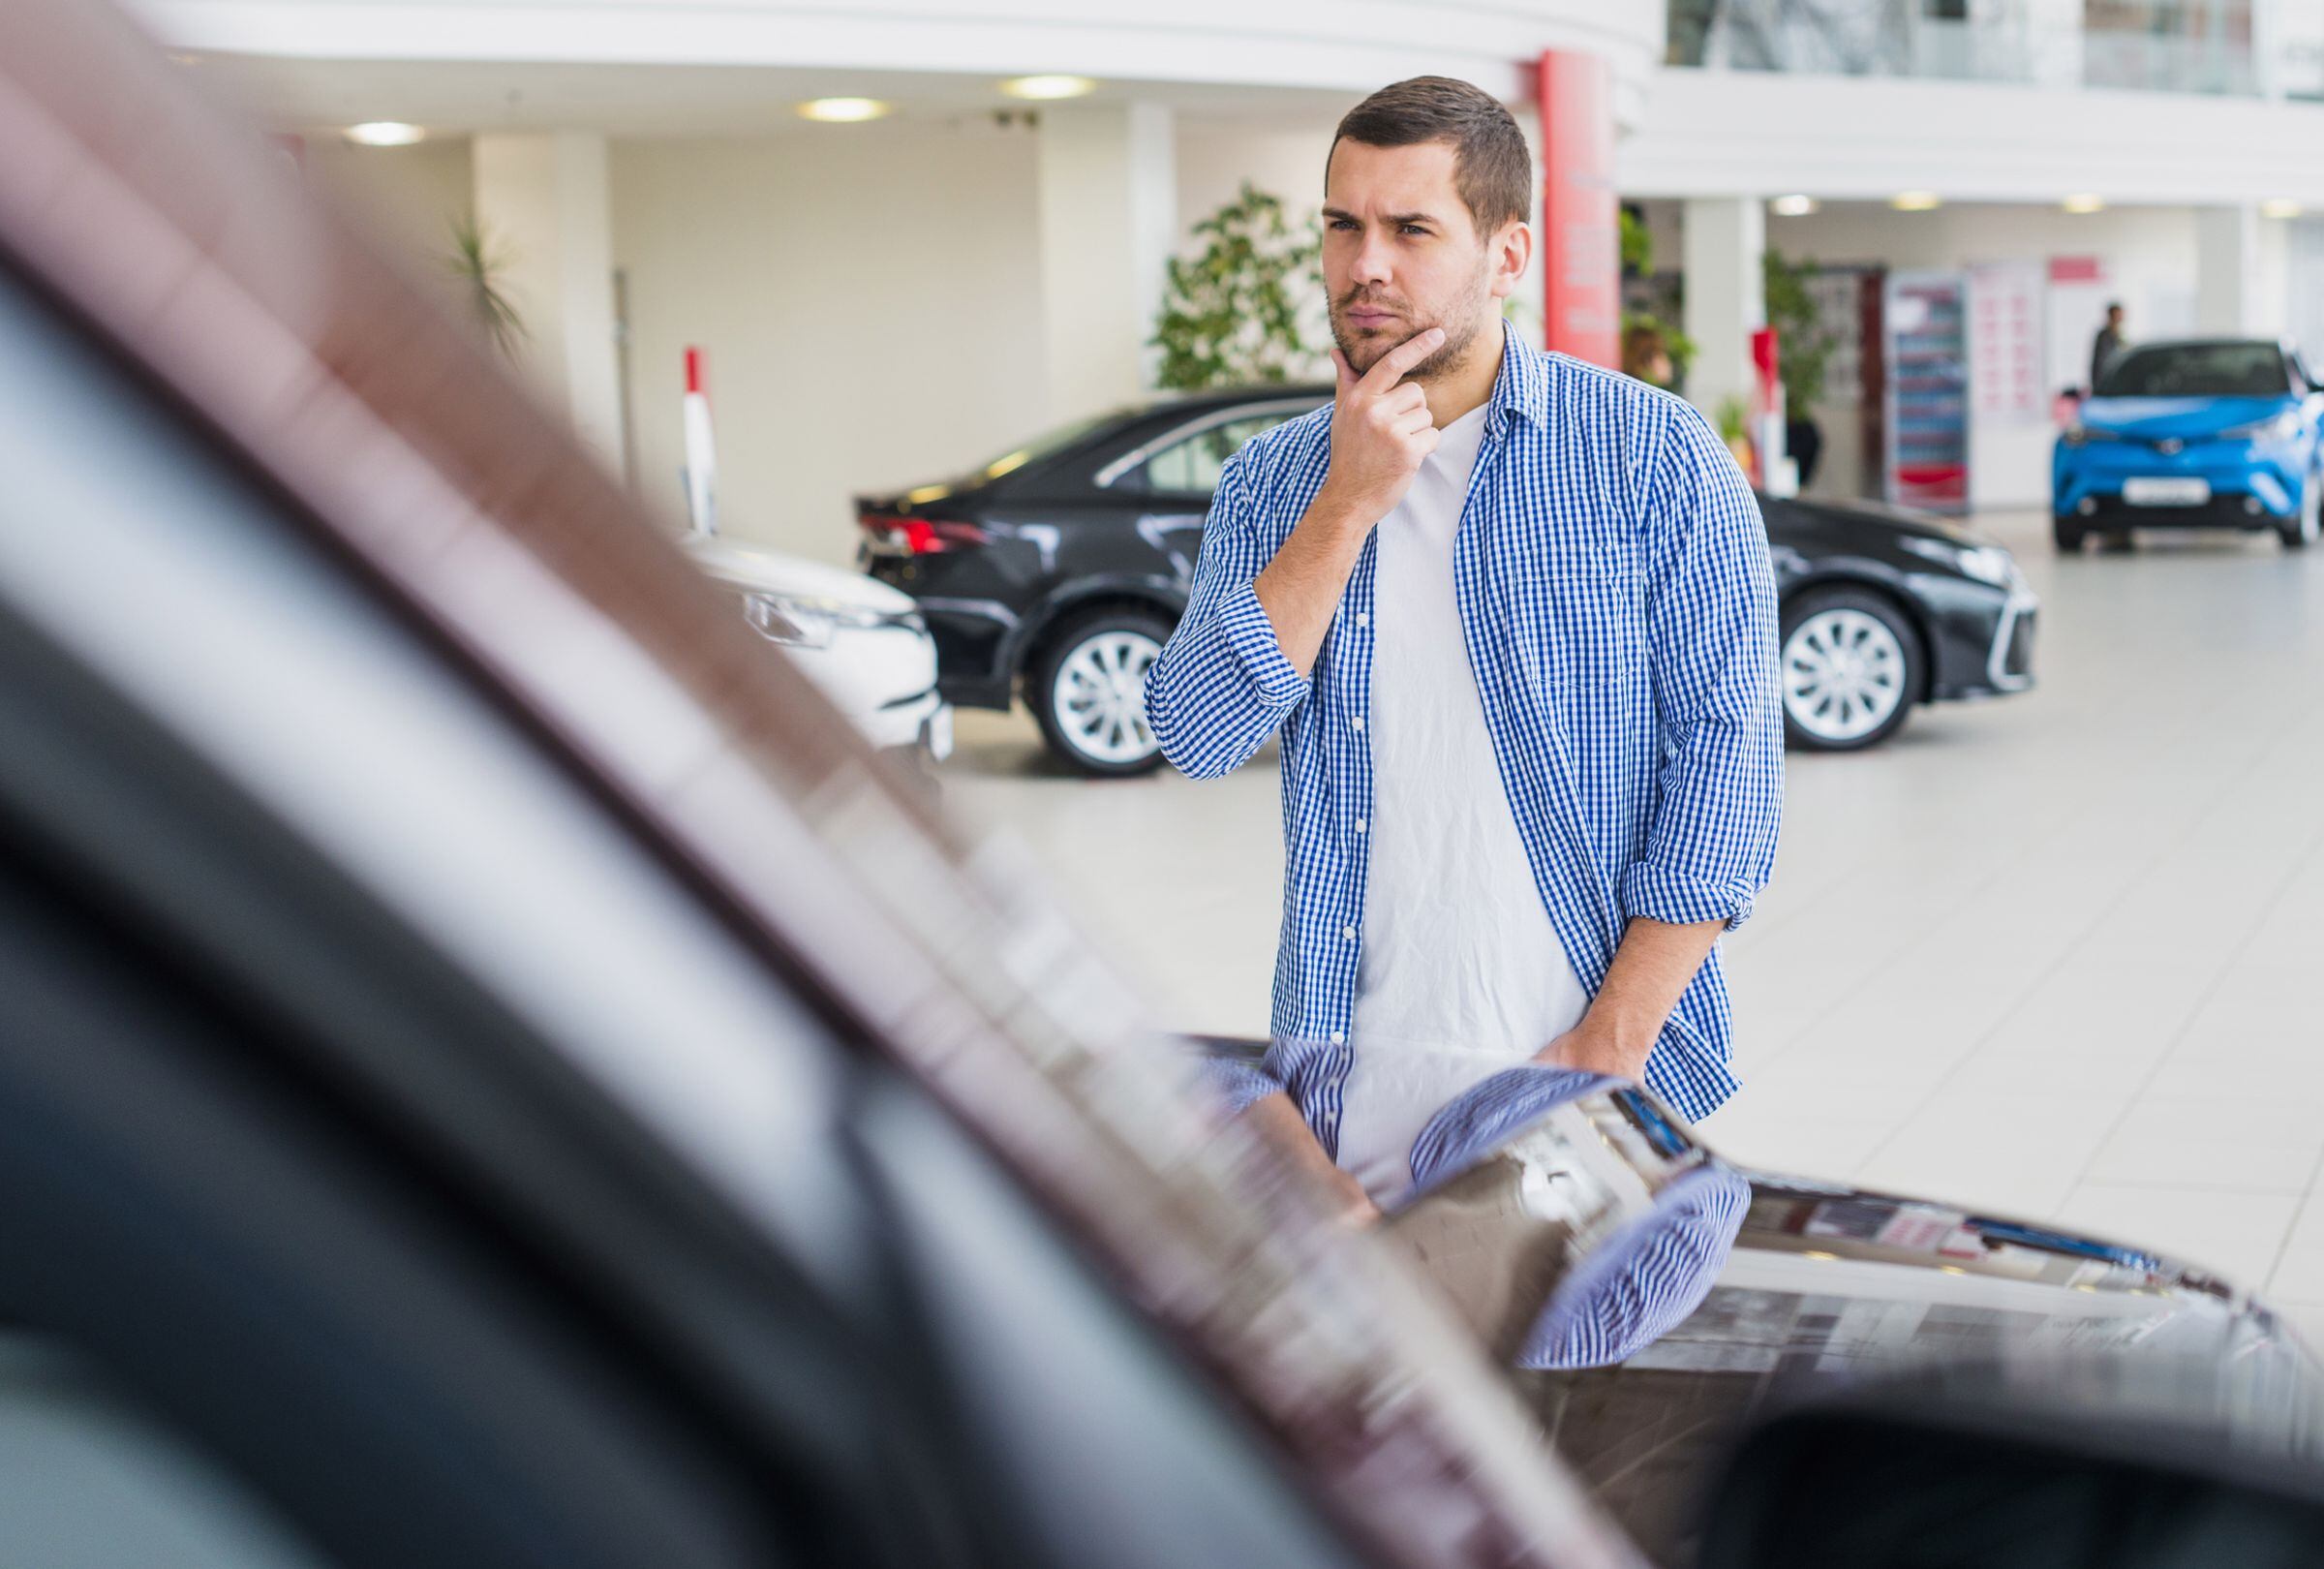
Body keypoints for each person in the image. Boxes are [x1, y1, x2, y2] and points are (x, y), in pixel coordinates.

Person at [1144, 77, 1783, 1223]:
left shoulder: (1654, 458)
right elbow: (1196, 733)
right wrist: (1348, 502)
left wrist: (1609, 1049)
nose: (1366, 265)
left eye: (1412, 229)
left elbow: (1727, 765)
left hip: (1585, 1090)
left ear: (1508, 253)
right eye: (1343, 226)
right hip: (1344, 1117)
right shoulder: (1273, 484)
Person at [2090, 301, 2127, 391]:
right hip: (2106, 383)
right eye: (2117, 315)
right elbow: (2101, 362)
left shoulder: (2120, 335)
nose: (2120, 318)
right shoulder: (2104, 336)